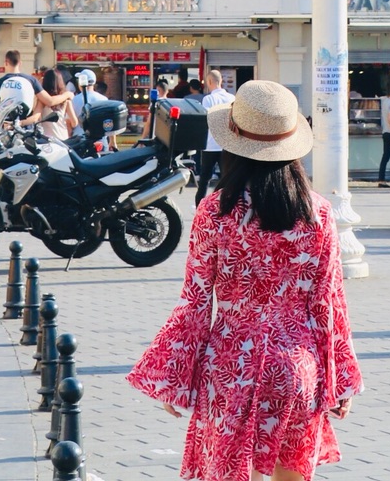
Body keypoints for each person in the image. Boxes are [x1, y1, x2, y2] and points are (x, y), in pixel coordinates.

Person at [128, 79, 358, 481]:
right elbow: (329, 302)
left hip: (231, 362)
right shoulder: (318, 213)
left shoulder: (215, 212)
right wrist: (339, 379)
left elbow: (196, 301)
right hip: (296, 366)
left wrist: (175, 375)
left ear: (233, 143)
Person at [195, 69, 234, 201]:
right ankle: (225, 203)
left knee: (204, 179)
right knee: (227, 178)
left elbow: (207, 120)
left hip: (211, 144)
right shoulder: (231, 98)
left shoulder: (208, 99)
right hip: (227, 144)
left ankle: (200, 206)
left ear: (210, 81)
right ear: (221, 81)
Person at [0, 48, 42, 120]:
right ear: (20, 63)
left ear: (5, 63)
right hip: (26, 125)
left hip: (6, 125)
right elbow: (49, 101)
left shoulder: (0, 82)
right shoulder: (31, 80)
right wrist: (61, 96)